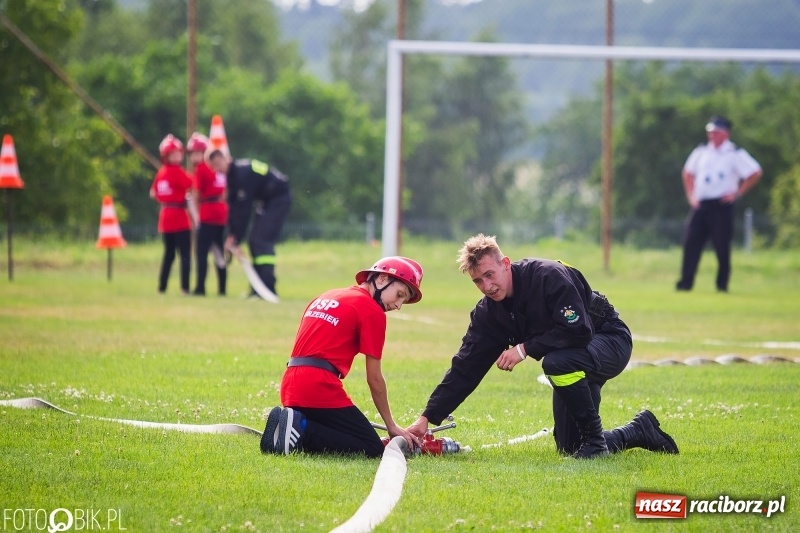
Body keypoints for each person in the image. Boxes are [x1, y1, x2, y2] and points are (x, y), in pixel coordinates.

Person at [406, 234, 679, 459]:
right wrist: (428, 417)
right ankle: (639, 430)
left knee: (556, 363)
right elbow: (466, 367)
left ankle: (596, 444)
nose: (487, 286)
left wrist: (524, 349)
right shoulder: (488, 315)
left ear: (506, 264)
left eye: (490, 274)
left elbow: (578, 330)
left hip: (608, 339)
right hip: (573, 359)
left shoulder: (548, 276)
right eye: (478, 281)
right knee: (571, 447)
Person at [260, 257, 425, 457]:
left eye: (403, 301)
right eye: (399, 295)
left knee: (339, 430)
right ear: (382, 279)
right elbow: (374, 378)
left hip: (290, 384)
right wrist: (391, 425)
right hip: (319, 387)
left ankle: (289, 422)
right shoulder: (372, 311)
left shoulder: (327, 295)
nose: (398, 305)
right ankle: (302, 428)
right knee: (370, 447)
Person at [676, 116, 762, 292]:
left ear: (725, 134)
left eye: (715, 132)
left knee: (722, 245)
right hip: (701, 204)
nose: (711, 135)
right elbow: (688, 173)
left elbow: (755, 172)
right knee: (691, 242)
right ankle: (685, 283)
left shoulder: (734, 153)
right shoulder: (701, 152)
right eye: (710, 132)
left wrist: (738, 192)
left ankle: (722, 285)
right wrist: (691, 195)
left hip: (722, 205)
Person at [206, 149, 291, 298]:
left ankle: (268, 288)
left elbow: (243, 211)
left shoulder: (241, 173)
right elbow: (234, 209)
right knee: (254, 241)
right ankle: (257, 289)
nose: (217, 169)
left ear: (226, 158)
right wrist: (232, 236)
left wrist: (235, 239)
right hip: (267, 201)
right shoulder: (233, 177)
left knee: (261, 242)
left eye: (218, 164)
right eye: (214, 167)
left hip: (278, 199)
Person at [150, 134, 193, 294]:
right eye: (174, 153)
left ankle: (162, 287)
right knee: (185, 255)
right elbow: (193, 184)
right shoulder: (177, 172)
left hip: (165, 215)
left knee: (169, 254)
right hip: (179, 217)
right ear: (166, 156)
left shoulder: (161, 173)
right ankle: (185, 287)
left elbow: (153, 193)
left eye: (178, 153)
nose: (177, 156)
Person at [187, 132, 228, 296]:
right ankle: (222, 289)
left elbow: (196, 193)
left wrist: (196, 217)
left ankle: (200, 288)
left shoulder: (202, 169)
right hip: (222, 213)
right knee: (219, 251)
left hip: (208, 214)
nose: (194, 157)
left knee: (202, 252)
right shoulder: (219, 167)